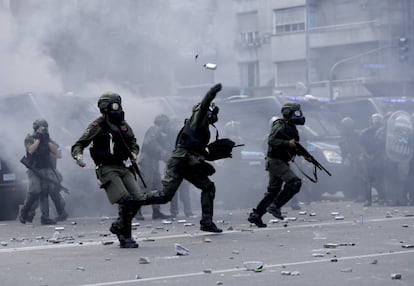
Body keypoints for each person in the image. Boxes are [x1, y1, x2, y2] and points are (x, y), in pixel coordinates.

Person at [134, 83, 226, 233]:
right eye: (211, 110)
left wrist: (209, 156)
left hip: (187, 161)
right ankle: (130, 202)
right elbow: (203, 106)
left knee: (208, 187)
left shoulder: (201, 127)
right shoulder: (197, 119)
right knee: (164, 195)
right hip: (181, 161)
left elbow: (195, 147)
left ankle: (207, 222)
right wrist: (211, 93)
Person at [71, 93, 142, 248]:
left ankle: (118, 226)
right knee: (125, 200)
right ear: (104, 109)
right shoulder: (97, 126)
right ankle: (126, 237)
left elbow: (133, 141)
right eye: (113, 106)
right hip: (107, 168)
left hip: (122, 166)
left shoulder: (123, 124)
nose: (117, 110)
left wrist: (134, 153)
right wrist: (79, 158)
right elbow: (79, 144)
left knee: (138, 198)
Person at [248, 102, 310, 228]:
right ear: (288, 113)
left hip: (279, 161)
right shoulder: (280, 125)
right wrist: (288, 143)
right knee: (295, 183)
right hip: (276, 161)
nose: (298, 115)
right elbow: (271, 140)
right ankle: (275, 206)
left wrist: (304, 155)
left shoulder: (291, 127)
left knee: (273, 192)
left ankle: (256, 215)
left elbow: (294, 146)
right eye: (295, 112)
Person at [19, 119, 60, 225]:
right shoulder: (30, 138)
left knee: (45, 192)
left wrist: (47, 141)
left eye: (45, 127)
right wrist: (38, 140)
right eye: (41, 128)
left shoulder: (48, 139)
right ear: (36, 129)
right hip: (34, 169)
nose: (44, 130)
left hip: (46, 169)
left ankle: (45, 217)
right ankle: (24, 211)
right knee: (34, 191)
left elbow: (56, 153)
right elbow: (30, 150)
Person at [136, 114, 171, 220]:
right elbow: (149, 142)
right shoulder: (154, 129)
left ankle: (156, 212)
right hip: (147, 161)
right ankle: (137, 211)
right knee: (144, 185)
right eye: (166, 124)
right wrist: (161, 150)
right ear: (162, 123)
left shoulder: (160, 133)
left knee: (157, 186)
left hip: (153, 161)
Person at [26, 151, 68, 222]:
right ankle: (32, 214)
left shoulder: (49, 145)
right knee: (41, 195)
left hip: (50, 173)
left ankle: (60, 213)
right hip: (42, 172)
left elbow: (58, 155)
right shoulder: (37, 146)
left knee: (53, 195)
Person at [359, 113, 386, 206]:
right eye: (375, 122)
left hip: (378, 157)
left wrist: (375, 156)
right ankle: (368, 200)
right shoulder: (365, 132)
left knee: (379, 179)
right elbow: (361, 145)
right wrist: (367, 155)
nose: (376, 124)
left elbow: (383, 146)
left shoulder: (383, 132)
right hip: (367, 158)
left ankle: (381, 198)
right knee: (368, 180)